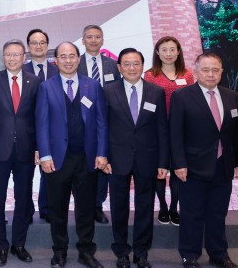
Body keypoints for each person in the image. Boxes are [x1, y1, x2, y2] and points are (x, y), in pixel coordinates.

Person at [169, 52, 238, 268]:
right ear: (195, 71)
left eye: (215, 70)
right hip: (192, 167)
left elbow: (237, 133)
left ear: (221, 72)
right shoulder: (182, 96)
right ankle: (190, 255)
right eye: (205, 70)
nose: (210, 74)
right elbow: (175, 133)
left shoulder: (231, 96)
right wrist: (178, 163)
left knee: (217, 213)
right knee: (191, 213)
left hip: (223, 166)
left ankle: (219, 253)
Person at [36, 42, 108, 268]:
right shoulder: (46, 87)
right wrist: (45, 155)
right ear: (55, 60)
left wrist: (102, 153)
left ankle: (86, 250)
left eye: (72, 56)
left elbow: (101, 123)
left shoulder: (93, 86)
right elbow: (42, 124)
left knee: (86, 208)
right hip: (58, 159)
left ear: (79, 59)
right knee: (58, 209)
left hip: (86, 158)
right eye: (63, 57)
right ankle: (59, 251)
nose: (68, 60)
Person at [104, 48, 168, 268]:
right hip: (116, 159)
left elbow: (162, 129)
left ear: (143, 66)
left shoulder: (156, 92)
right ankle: (121, 251)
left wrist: (163, 162)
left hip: (147, 159)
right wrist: (103, 157)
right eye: (127, 64)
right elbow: (102, 127)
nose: (132, 68)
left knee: (145, 206)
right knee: (118, 207)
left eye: (136, 63)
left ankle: (141, 252)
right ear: (119, 67)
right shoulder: (108, 91)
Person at [0, 39, 40, 267]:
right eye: (8, 54)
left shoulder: (35, 81)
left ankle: (19, 243)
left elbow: (40, 117)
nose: (12, 58)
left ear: (24, 57)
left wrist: (39, 148)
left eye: (16, 55)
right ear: (3, 57)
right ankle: (0, 246)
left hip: (26, 150)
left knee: (23, 199)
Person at [143, 36, 196, 226]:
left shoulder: (187, 75)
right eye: (164, 50)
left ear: (178, 52)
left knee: (178, 169)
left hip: (182, 129)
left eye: (172, 49)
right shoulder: (150, 75)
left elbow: (192, 101)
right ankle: (163, 207)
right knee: (160, 168)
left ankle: (174, 207)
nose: (168, 54)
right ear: (157, 52)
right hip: (158, 129)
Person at [77, 24, 120, 224]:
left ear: (102, 40)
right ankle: (84, 205)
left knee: (102, 163)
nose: (93, 40)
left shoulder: (113, 65)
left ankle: (98, 205)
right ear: (83, 40)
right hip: (82, 122)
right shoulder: (75, 63)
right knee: (84, 167)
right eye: (89, 37)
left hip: (108, 122)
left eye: (97, 37)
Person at [22, 28, 57, 222]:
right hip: (26, 129)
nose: (38, 46)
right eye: (34, 42)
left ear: (47, 45)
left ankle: (47, 207)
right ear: (28, 47)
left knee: (49, 171)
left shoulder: (57, 70)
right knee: (26, 173)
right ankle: (26, 209)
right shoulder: (20, 69)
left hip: (51, 129)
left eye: (42, 42)